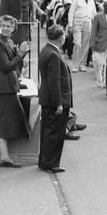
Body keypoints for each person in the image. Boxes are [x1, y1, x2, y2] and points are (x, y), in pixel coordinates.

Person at [0, 15, 30, 167]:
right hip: (3, 88)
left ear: (14, 28)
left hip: (9, 86)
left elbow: (14, 62)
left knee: (10, 121)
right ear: (0, 25)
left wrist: (21, 52)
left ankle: (1, 152)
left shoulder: (7, 41)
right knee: (3, 122)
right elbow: (6, 66)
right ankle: (3, 156)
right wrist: (20, 53)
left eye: (9, 26)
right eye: (4, 25)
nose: (6, 28)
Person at [37, 25, 72, 173]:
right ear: (61, 38)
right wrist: (58, 103)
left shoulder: (47, 50)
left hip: (47, 98)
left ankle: (45, 161)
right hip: (55, 100)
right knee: (55, 133)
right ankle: (51, 162)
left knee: (47, 130)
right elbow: (54, 81)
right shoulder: (53, 54)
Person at [68, 0, 96, 72]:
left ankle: (82, 64)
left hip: (88, 22)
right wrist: (70, 25)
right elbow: (71, 12)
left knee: (85, 44)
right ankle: (75, 64)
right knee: (77, 43)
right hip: (78, 21)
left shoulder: (92, 1)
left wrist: (95, 26)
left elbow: (94, 14)